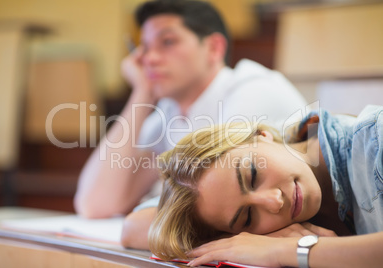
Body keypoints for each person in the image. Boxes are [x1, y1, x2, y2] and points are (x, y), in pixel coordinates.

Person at [74, 0, 306, 239]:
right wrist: (141, 93)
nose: (150, 59)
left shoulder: (253, 90)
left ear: (214, 48)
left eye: (167, 42)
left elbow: (202, 215)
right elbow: (95, 204)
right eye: (143, 48)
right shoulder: (171, 111)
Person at [149, 105, 383, 267]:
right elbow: (135, 226)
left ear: (261, 135)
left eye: (252, 175)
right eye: (248, 217)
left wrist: (287, 251)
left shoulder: (376, 138)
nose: (274, 201)